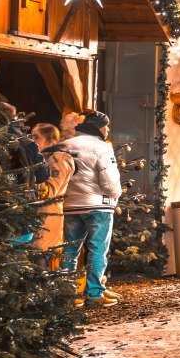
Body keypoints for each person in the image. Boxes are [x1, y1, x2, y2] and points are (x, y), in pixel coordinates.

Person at [62, 111, 122, 307]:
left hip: (70, 204)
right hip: (98, 206)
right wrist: (116, 195)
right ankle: (95, 294)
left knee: (70, 250)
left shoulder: (66, 145)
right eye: (107, 126)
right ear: (99, 127)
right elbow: (110, 182)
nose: (109, 130)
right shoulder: (102, 148)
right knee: (97, 250)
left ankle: (67, 295)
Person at [30, 124, 76, 266]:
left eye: (36, 137)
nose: (32, 139)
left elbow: (49, 191)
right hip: (38, 220)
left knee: (40, 267)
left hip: (47, 221)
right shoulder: (45, 157)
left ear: (50, 140)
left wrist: (27, 182)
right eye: (31, 135)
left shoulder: (58, 158)